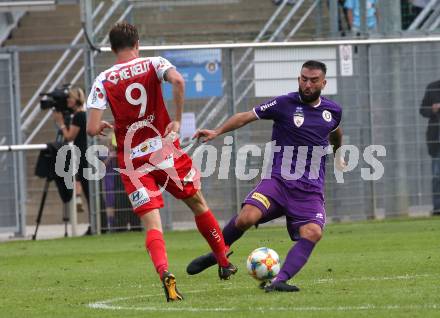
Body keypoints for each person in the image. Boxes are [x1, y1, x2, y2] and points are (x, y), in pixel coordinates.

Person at [86, 22, 236, 302]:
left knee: (152, 224)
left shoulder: (103, 79)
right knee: (197, 203)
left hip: (132, 161)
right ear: (137, 44)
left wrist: (104, 124)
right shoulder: (154, 63)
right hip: (164, 151)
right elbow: (178, 81)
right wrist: (177, 120)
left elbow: (92, 128)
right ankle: (224, 262)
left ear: (111, 47)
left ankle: (166, 272)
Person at [187, 60, 344, 292]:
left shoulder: (333, 111)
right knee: (246, 218)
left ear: (324, 83)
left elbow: (335, 132)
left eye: (313, 80)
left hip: (309, 189)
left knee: (313, 232)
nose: (307, 84)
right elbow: (246, 116)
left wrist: (339, 155)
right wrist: (218, 131)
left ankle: (279, 281)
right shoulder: (283, 104)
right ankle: (218, 254)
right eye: (303, 79)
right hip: (278, 182)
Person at [52, 87, 90, 217]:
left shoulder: (79, 115)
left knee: (88, 190)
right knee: (88, 190)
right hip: (85, 155)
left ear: (76, 99)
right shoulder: (83, 114)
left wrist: (61, 123)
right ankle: (96, 223)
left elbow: (69, 136)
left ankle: (96, 224)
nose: (68, 100)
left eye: (70, 98)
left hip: (83, 156)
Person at [419, 79, 440, 216]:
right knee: (437, 175)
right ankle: (438, 208)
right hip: (437, 140)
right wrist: (432, 109)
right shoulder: (432, 87)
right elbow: (422, 110)